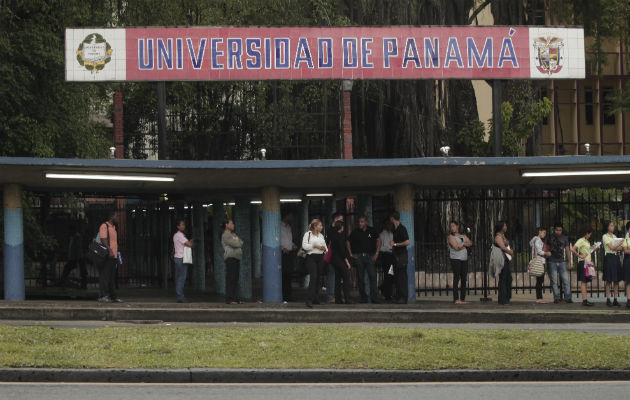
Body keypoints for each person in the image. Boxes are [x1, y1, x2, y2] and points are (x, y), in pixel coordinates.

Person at [347, 215, 381, 304]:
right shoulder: (355, 231)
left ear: (366, 222)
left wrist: (377, 253)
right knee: (360, 278)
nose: (360, 223)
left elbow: (379, 240)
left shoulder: (372, 230)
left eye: (362, 222)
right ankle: (363, 298)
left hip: (370, 257)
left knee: (373, 277)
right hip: (359, 257)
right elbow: (348, 241)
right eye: (359, 222)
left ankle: (374, 297)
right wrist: (351, 254)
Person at [97, 212, 122, 303]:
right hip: (107, 255)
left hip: (113, 256)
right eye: (116, 216)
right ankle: (103, 295)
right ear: (111, 217)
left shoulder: (113, 228)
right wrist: (110, 250)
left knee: (111, 277)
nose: (118, 218)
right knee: (105, 276)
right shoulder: (104, 226)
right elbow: (103, 239)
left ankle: (112, 296)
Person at [302, 219, 327, 308]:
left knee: (319, 278)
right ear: (315, 226)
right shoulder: (307, 234)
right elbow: (304, 246)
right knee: (313, 277)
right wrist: (314, 246)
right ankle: (309, 300)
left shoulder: (321, 236)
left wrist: (324, 248)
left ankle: (316, 298)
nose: (321, 227)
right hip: (311, 257)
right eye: (320, 225)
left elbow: (326, 248)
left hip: (320, 258)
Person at [571, 226, 598, 307]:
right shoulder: (581, 240)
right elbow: (573, 249)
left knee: (585, 281)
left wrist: (593, 250)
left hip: (587, 262)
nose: (590, 236)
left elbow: (588, 251)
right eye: (589, 234)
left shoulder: (587, 241)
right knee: (583, 282)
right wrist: (579, 255)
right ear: (586, 233)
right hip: (583, 262)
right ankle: (584, 300)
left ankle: (585, 299)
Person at [547, 222, 573, 304]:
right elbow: (546, 248)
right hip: (552, 261)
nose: (559, 232)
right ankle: (556, 298)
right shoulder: (550, 237)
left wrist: (569, 261)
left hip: (562, 261)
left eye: (560, 230)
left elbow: (567, 250)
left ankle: (568, 297)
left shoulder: (564, 238)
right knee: (554, 281)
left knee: (565, 280)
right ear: (554, 230)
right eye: (557, 230)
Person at [57, 222, 87, 289]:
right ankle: (63, 282)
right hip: (75, 257)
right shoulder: (73, 237)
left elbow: (78, 248)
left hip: (77, 257)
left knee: (69, 269)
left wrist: (77, 257)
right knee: (69, 269)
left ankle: (63, 282)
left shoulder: (76, 237)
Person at [448, 221, 472, 304]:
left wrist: (462, 244)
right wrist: (464, 244)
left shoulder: (463, 235)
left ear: (457, 226)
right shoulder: (451, 237)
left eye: (454, 226)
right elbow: (456, 247)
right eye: (451, 226)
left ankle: (462, 298)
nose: (452, 228)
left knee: (464, 279)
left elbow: (470, 243)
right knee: (456, 277)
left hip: (464, 259)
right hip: (455, 259)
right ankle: (456, 299)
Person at [329, 220, 353, 304]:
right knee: (346, 278)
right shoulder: (340, 236)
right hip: (340, 260)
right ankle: (347, 299)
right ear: (342, 227)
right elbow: (342, 250)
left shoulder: (333, 235)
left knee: (338, 279)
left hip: (334, 260)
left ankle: (338, 299)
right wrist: (347, 262)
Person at [389, 212, 410, 304]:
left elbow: (407, 242)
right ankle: (398, 296)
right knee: (396, 277)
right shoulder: (394, 229)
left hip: (401, 256)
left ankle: (403, 297)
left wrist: (396, 244)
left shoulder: (402, 229)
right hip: (395, 256)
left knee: (402, 277)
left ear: (393, 218)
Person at [221, 219, 243, 305]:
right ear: (227, 225)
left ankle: (235, 298)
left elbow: (241, 242)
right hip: (230, 258)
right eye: (231, 223)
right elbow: (236, 244)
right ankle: (229, 299)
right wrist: (236, 241)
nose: (233, 225)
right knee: (231, 278)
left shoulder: (233, 234)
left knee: (235, 279)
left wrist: (237, 241)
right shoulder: (225, 234)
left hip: (236, 258)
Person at [602, 220, 623, 307]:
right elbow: (612, 247)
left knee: (616, 280)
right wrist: (620, 243)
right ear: (607, 227)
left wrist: (618, 246)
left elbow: (619, 249)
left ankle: (615, 299)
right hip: (609, 257)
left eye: (613, 225)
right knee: (608, 279)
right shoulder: (605, 236)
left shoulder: (614, 236)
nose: (613, 227)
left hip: (615, 257)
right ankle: (608, 299)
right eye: (611, 225)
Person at [492, 221, 513, 305]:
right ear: (501, 227)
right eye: (504, 225)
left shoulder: (503, 236)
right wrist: (510, 252)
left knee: (508, 278)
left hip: (506, 258)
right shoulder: (498, 237)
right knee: (503, 278)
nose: (506, 226)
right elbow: (503, 247)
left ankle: (507, 297)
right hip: (501, 259)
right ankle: (502, 299)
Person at [173, 219, 193, 303]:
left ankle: (180, 295)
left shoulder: (175, 235)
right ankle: (180, 296)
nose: (183, 226)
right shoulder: (180, 235)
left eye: (184, 224)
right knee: (182, 278)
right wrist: (191, 242)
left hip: (177, 257)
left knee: (180, 277)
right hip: (181, 258)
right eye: (182, 224)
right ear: (178, 226)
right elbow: (189, 244)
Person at [529, 227, 551, 304]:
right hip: (540, 261)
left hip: (540, 261)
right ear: (539, 232)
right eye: (544, 232)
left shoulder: (535, 240)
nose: (544, 234)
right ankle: (539, 298)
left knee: (539, 280)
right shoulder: (537, 240)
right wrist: (546, 253)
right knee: (539, 280)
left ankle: (540, 297)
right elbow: (538, 251)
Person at [325, 212, 344, 303]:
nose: (342, 221)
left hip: (338, 256)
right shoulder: (331, 230)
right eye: (340, 219)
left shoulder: (337, 229)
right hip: (332, 256)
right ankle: (330, 296)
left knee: (337, 276)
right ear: (336, 219)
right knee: (332, 275)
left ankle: (336, 296)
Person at [280, 211, 297, 302]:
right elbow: (276, 239)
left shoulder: (289, 227)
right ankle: (283, 295)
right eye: (291, 215)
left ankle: (288, 295)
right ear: (287, 215)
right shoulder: (278, 226)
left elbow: (288, 239)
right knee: (284, 275)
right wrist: (282, 248)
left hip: (290, 253)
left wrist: (292, 245)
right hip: (283, 253)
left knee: (289, 275)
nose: (292, 217)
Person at [378, 220, 396, 301]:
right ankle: (387, 295)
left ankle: (383, 288)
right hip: (386, 256)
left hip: (392, 256)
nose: (390, 226)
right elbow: (380, 247)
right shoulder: (382, 235)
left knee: (391, 275)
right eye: (389, 225)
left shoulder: (392, 234)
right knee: (388, 275)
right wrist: (388, 248)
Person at [622, 222, 630, 309]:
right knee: (628, 281)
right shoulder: (626, 239)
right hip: (628, 260)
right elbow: (626, 251)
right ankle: (628, 299)